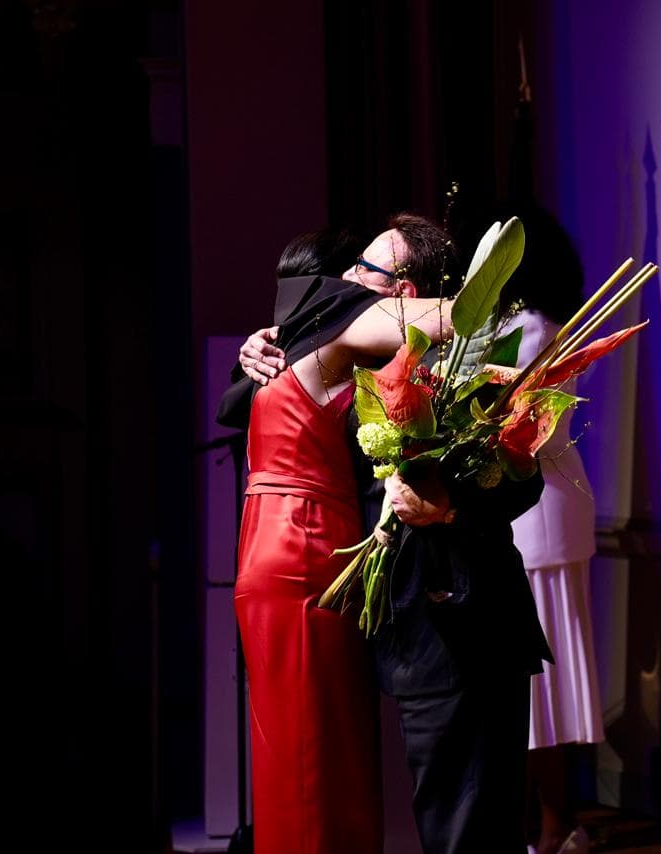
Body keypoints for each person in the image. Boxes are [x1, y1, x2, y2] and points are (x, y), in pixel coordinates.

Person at [236, 218, 553, 853]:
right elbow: (242, 405)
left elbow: (524, 480)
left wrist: (450, 506)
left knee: (472, 830)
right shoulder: (353, 358)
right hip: (407, 636)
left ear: (403, 292)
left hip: (471, 624)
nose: (345, 278)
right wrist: (257, 348)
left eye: (363, 269)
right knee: (433, 818)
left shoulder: (467, 364)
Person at [223, 215, 455, 854]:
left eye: (363, 268)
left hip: (281, 544)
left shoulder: (305, 343)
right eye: (348, 268)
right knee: (312, 760)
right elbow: (455, 319)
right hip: (304, 545)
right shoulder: (345, 320)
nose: (350, 278)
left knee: (314, 749)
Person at [495, 205, 604, 854]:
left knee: (541, 683)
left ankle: (558, 824)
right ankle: (551, 824)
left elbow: (513, 422)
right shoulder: (522, 326)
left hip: (535, 513)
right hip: (535, 509)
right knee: (535, 683)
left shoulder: (532, 330)